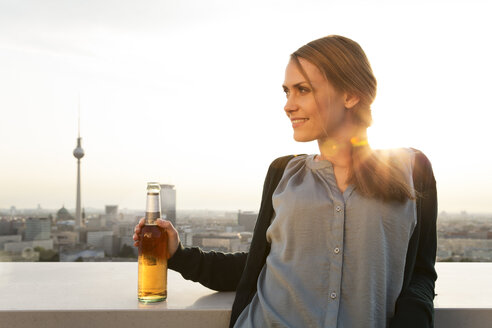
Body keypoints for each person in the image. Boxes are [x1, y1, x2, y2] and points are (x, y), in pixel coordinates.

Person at [133, 35, 437, 328]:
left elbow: (421, 276)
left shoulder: (412, 170)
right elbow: (259, 266)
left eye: (303, 89)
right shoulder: (283, 174)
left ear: (351, 94)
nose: (288, 105)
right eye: (286, 91)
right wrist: (179, 255)